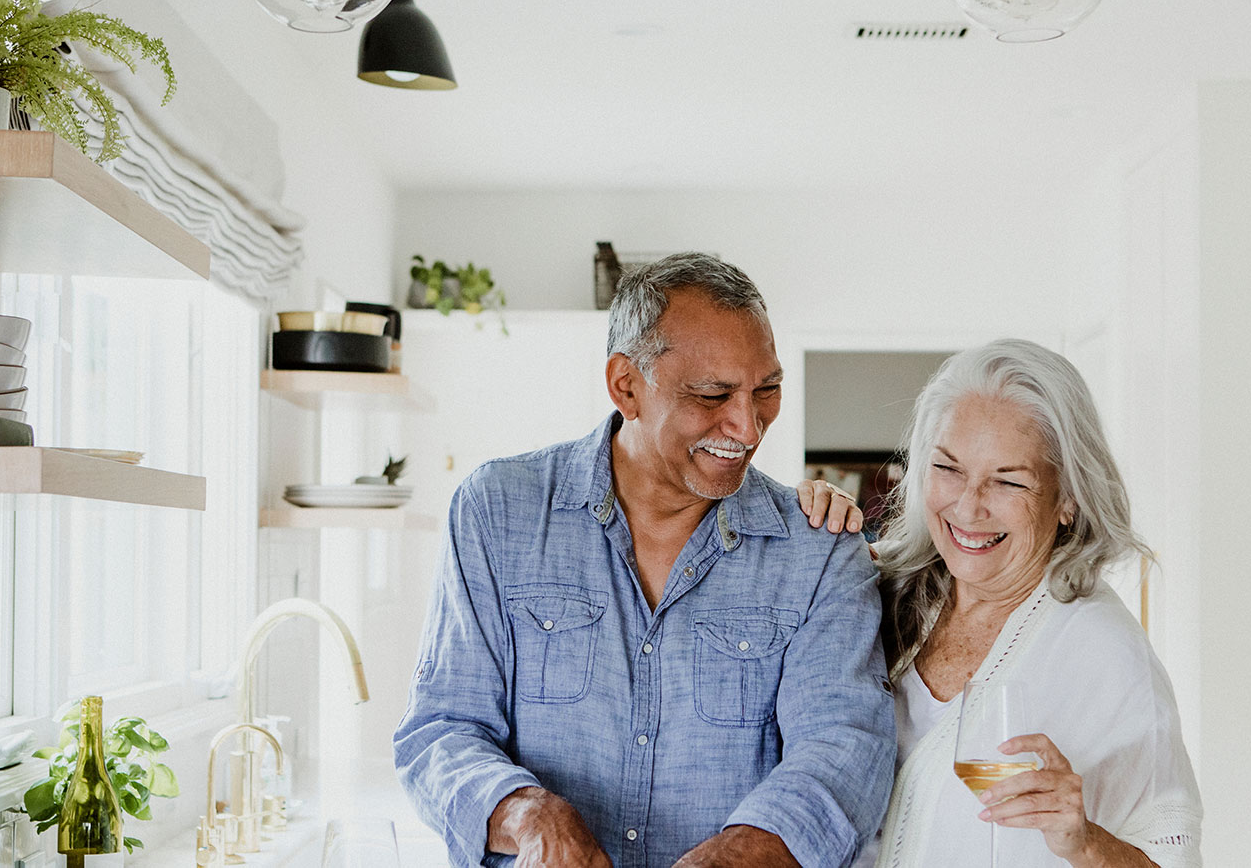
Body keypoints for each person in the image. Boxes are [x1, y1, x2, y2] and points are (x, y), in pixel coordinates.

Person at [394, 253, 897, 868]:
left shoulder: (820, 549)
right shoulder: (498, 512)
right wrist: (526, 815)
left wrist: (737, 856)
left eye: (767, 389)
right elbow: (441, 728)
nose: (746, 424)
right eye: (712, 393)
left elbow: (844, 750)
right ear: (625, 385)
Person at [798, 339, 1201, 867]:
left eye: (1008, 480)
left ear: (1068, 499)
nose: (968, 507)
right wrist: (805, 532)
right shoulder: (878, 589)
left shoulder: (1106, 655)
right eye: (948, 469)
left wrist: (1084, 841)